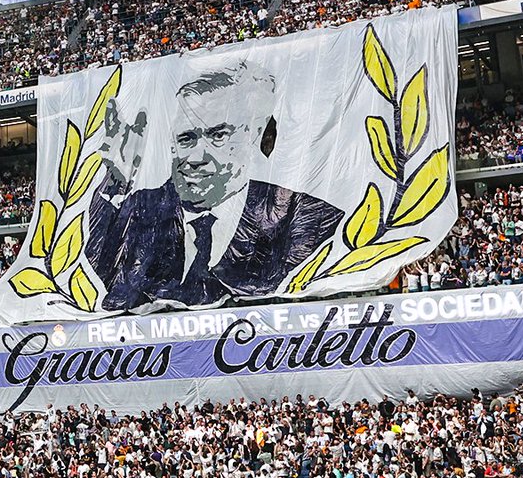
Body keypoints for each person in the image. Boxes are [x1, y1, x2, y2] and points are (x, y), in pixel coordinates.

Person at [88, 63, 343, 309]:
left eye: (218, 135)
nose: (196, 157)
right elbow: (101, 274)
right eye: (186, 139)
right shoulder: (141, 209)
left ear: (254, 133)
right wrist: (115, 180)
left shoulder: (305, 218)